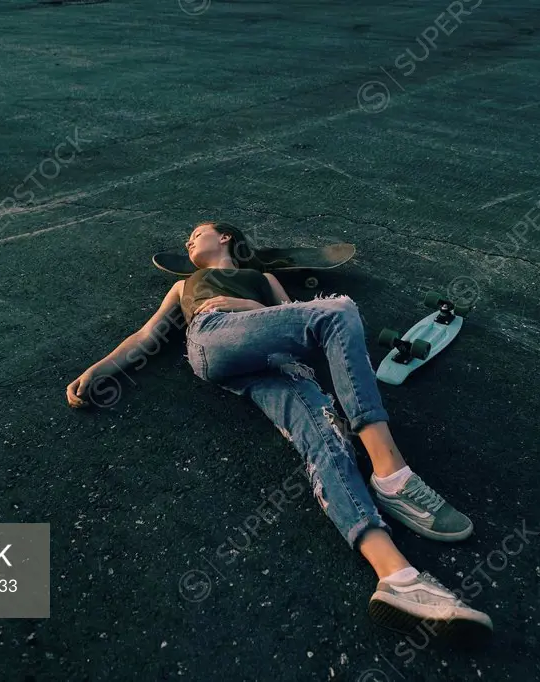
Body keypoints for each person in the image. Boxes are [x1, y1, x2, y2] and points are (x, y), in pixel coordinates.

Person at [66, 221, 493, 642]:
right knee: (339, 309)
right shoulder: (186, 286)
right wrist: (98, 371)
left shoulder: (262, 278)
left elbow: (292, 321)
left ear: (226, 236)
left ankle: (397, 577)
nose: (189, 240)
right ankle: (392, 474)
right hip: (214, 340)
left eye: (198, 232)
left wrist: (254, 308)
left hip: (274, 362)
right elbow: (146, 335)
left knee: (326, 437)